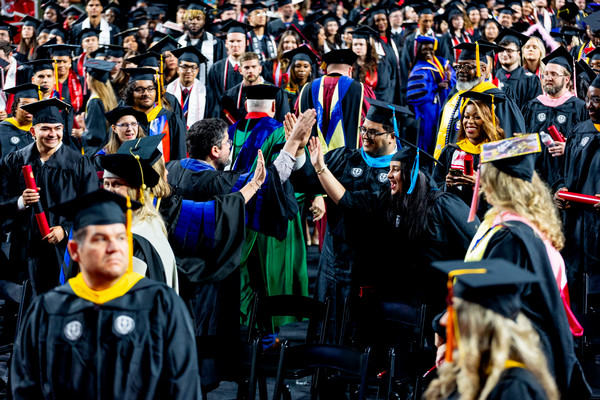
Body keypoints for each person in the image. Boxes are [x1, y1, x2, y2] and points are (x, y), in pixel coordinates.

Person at [162, 111, 314, 390]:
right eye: (228, 144)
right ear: (215, 150)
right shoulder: (217, 182)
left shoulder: (169, 170)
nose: (231, 148)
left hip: (174, 278)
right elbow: (265, 185)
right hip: (210, 281)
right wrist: (292, 145)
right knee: (207, 350)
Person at [11, 189, 201, 399]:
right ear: (75, 250)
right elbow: (25, 388)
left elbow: (183, 388)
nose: (114, 248)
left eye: (121, 237)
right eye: (100, 239)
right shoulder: (48, 310)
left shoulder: (161, 304)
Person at [465, 134, 590, 399]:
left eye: (483, 172)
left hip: (518, 363)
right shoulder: (526, 228)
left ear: (497, 182)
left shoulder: (512, 236)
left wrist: (442, 326)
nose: (479, 178)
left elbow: (491, 304)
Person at [290, 99, 417, 342]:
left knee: (365, 331)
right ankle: (327, 374)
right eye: (363, 129)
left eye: (372, 131)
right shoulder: (345, 158)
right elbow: (307, 182)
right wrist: (298, 151)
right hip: (335, 257)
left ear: (392, 136)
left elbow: (353, 203)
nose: (365, 136)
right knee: (331, 323)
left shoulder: (400, 174)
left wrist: (321, 169)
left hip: (374, 264)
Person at [228, 85, 309, 331]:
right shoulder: (280, 131)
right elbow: (293, 173)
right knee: (272, 274)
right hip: (271, 216)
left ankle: (243, 327)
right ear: (274, 107)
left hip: (236, 212)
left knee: (245, 274)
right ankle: (270, 332)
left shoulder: (228, 132)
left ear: (245, 106)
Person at [0, 98, 98, 295]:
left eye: (57, 128)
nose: (53, 134)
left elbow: (92, 207)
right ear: (33, 131)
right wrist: (19, 202)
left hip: (63, 251)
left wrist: (65, 229)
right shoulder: (14, 161)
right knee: (24, 306)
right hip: (24, 249)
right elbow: (1, 199)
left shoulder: (79, 163)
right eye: (45, 128)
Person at [426, 259, 560, 400]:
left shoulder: (513, 387)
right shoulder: (465, 373)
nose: (443, 321)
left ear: (479, 322)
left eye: (456, 311)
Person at [99, 135, 178, 291]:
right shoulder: (150, 221)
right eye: (106, 184)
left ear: (135, 190)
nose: (109, 190)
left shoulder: (133, 236)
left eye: (117, 184)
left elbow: (128, 295)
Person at [554, 72, 600, 317]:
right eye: (589, 99)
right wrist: (559, 191)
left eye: (597, 100)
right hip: (577, 225)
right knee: (576, 282)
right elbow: (563, 174)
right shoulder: (579, 131)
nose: (590, 106)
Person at [434, 41, 525, 160]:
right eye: (458, 66)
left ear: (483, 69)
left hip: (483, 172)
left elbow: (514, 143)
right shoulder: (454, 98)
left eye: (467, 67)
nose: (461, 71)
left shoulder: (498, 100)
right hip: (451, 170)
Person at [433, 91, 505, 217]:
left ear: (487, 120)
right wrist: (447, 184)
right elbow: (434, 187)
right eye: (466, 117)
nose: (470, 122)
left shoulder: (497, 153)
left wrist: (480, 182)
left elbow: (507, 193)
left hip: (485, 219)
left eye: (476, 117)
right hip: (454, 217)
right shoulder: (451, 151)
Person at [523, 47, 588, 187]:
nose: (548, 78)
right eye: (545, 74)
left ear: (567, 79)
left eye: (554, 74)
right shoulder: (532, 106)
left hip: (565, 179)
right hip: (534, 180)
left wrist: (569, 148)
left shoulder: (579, 108)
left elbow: (587, 144)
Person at [297, 48, 375, 151]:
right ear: (350, 70)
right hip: (349, 160)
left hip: (311, 159)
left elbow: (297, 120)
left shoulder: (306, 89)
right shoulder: (361, 89)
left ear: (327, 70)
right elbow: (371, 122)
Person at [120, 67, 186, 162]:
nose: (146, 93)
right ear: (131, 93)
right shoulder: (123, 120)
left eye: (150, 89)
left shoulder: (170, 119)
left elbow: (180, 154)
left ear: (156, 92)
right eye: (139, 89)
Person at [407, 36, 456, 154]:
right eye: (424, 50)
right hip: (427, 108)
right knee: (428, 136)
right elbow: (416, 93)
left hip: (443, 105)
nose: (428, 52)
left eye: (431, 49)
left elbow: (454, 80)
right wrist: (436, 87)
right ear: (419, 51)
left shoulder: (443, 63)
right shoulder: (419, 68)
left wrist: (449, 80)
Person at [220, 52, 290, 123]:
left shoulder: (276, 92)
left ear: (260, 69)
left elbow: (283, 122)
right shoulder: (230, 96)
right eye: (246, 67)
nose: (250, 71)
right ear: (240, 70)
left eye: (254, 67)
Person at [205, 20, 251, 118]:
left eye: (239, 41)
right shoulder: (216, 69)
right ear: (226, 43)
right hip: (223, 119)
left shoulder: (253, 68)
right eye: (231, 41)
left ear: (246, 42)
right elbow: (213, 99)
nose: (235, 45)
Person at [177, 4, 226, 89]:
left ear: (204, 21)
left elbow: (221, 72)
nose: (194, 22)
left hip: (209, 92)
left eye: (198, 19)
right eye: (190, 19)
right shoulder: (177, 43)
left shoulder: (216, 44)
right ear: (185, 21)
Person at [77, 59, 118, 155]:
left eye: (87, 77)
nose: (85, 80)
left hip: (98, 154)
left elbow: (96, 136)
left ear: (91, 80)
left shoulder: (94, 102)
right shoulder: (108, 98)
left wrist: (81, 133)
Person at [495, 28, 542, 109]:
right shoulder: (493, 78)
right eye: (501, 50)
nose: (504, 54)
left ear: (519, 53)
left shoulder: (531, 80)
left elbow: (534, 110)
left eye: (509, 50)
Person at [351, 26, 397, 104]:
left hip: (375, 106)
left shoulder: (380, 63)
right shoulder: (350, 64)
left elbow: (383, 90)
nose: (358, 47)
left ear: (368, 46)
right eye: (355, 45)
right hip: (354, 105)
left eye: (361, 44)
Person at [165, 46, 208, 129]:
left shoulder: (207, 93)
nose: (189, 71)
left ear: (198, 70)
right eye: (185, 67)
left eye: (193, 67)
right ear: (177, 69)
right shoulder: (166, 91)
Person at [0, 84, 39, 158]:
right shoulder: (2, 129)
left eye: (34, 105)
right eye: (24, 105)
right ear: (15, 107)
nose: (29, 109)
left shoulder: (40, 131)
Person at [282, 45, 319, 113]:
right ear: (292, 68)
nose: (301, 69)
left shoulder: (316, 89)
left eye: (305, 66)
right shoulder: (285, 90)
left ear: (310, 69)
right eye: (298, 66)